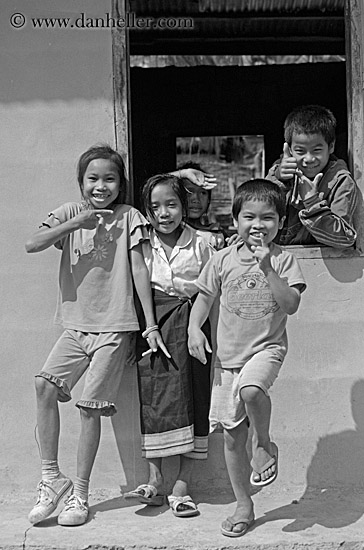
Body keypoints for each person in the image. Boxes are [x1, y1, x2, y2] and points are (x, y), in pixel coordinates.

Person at [25, 144, 168, 527]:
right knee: (44, 386)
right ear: (81, 182)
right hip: (76, 326)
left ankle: (80, 494)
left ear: (121, 183)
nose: (101, 186)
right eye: (93, 178)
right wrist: (76, 224)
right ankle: (52, 478)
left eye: (110, 178)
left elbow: (139, 270)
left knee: (90, 408)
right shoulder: (68, 213)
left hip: (115, 327)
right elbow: (32, 244)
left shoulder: (130, 217)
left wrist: (149, 324)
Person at [188, 179, 306, 537]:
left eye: (268, 217)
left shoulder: (284, 259)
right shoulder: (222, 259)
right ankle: (244, 504)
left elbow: (291, 305)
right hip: (227, 359)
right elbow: (205, 299)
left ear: (281, 222)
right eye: (249, 217)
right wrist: (195, 329)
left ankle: (264, 443)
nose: (259, 225)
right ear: (236, 220)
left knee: (252, 392)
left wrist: (268, 267)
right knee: (230, 438)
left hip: (266, 349)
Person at [124, 174, 213, 517]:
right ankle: (154, 481)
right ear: (146, 211)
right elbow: (141, 282)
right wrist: (150, 327)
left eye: (172, 204)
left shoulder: (202, 242)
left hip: (193, 323)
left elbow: (208, 290)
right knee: (156, 398)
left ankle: (182, 488)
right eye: (155, 206)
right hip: (155, 321)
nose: (164, 213)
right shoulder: (142, 242)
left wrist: (197, 328)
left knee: (195, 397)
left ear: (185, 206)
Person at [266, 104, 357, 248]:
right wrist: (279, 179)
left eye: (317, 150)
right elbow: (260, 210)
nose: (309, 158)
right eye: (300, 151)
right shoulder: (281, 170)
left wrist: (312, 203)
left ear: (331, 146)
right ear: (289, 149)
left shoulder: (340, 181)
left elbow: (344, 239)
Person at [178, 161, 226, 251]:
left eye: (203, 193)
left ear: (208, 199)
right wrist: (182, 174)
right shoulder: (170, 230)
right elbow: (149, 187)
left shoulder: (218, 235)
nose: (196, 199)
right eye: (189, 192)